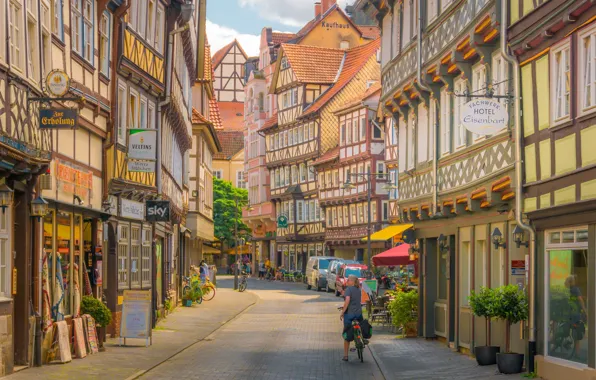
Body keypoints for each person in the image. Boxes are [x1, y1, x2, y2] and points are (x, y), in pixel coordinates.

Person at [340, 274, 363, 362]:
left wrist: (342, 312)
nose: (347, 281)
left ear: (352, 282)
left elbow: (347, 301)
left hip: (350, 314)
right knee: (359, 326)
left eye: (348, 280)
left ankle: (345, 356)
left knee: (346, 334)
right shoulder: (358, 290)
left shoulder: (349, 289)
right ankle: (360, 339)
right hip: (359, 314)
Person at [566, 275, 587, 360]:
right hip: (575, 314)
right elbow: (580, 300)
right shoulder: (575, 289)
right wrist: (585, 311)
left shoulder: (567, 289)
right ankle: (577, 353)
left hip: (568, 313)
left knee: (568, 329)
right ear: (573, 281)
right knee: (577, 333)